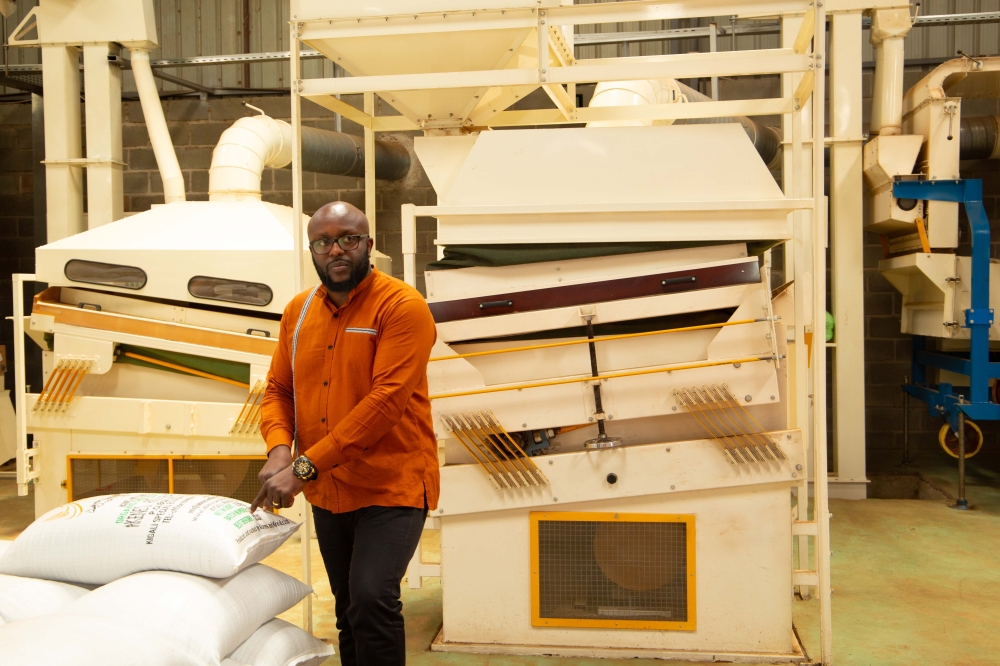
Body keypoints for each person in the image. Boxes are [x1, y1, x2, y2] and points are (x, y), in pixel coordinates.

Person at [251, 201, 439, 666]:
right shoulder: (298, 312)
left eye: (347, 239)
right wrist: (279, 450)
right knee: (349, 609)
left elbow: (384, 404)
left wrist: (303, 467)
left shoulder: (402, 306)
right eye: (323, 242)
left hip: (389, 484)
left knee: (372, 598)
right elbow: (278, 389)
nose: (335, 250)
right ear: (312, 250)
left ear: (368, 244)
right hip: (330, 489)